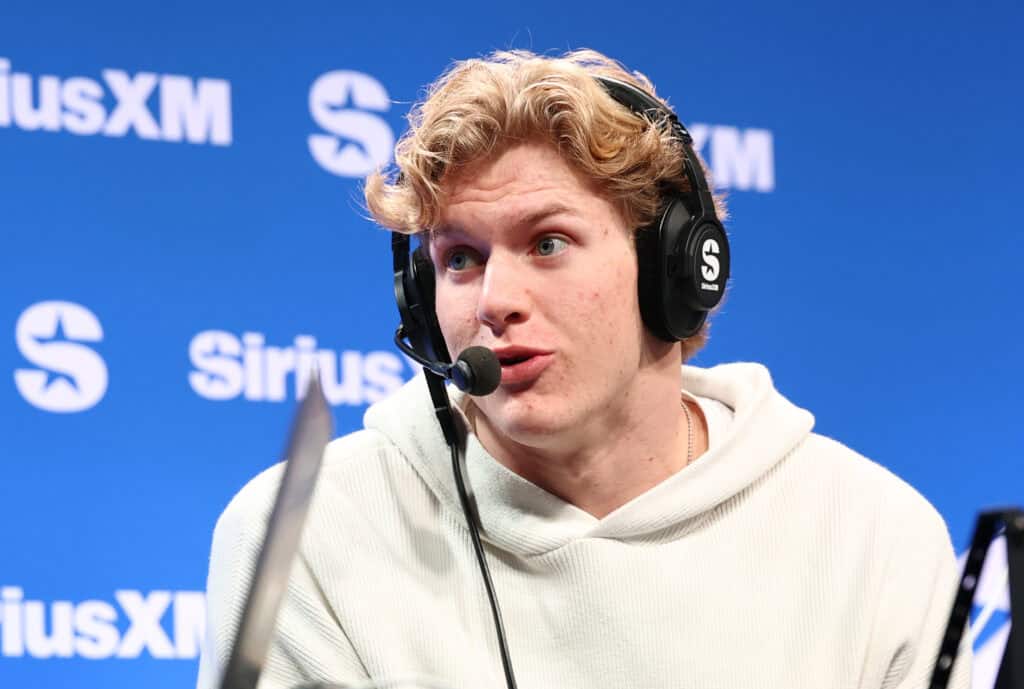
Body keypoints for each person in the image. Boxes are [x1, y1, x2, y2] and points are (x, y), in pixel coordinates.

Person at [197, 49, 971, 689]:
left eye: (548, 243)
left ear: (674, 270)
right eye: (460, 258)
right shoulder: (309, 536)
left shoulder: (873, 538)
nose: (495, 300)